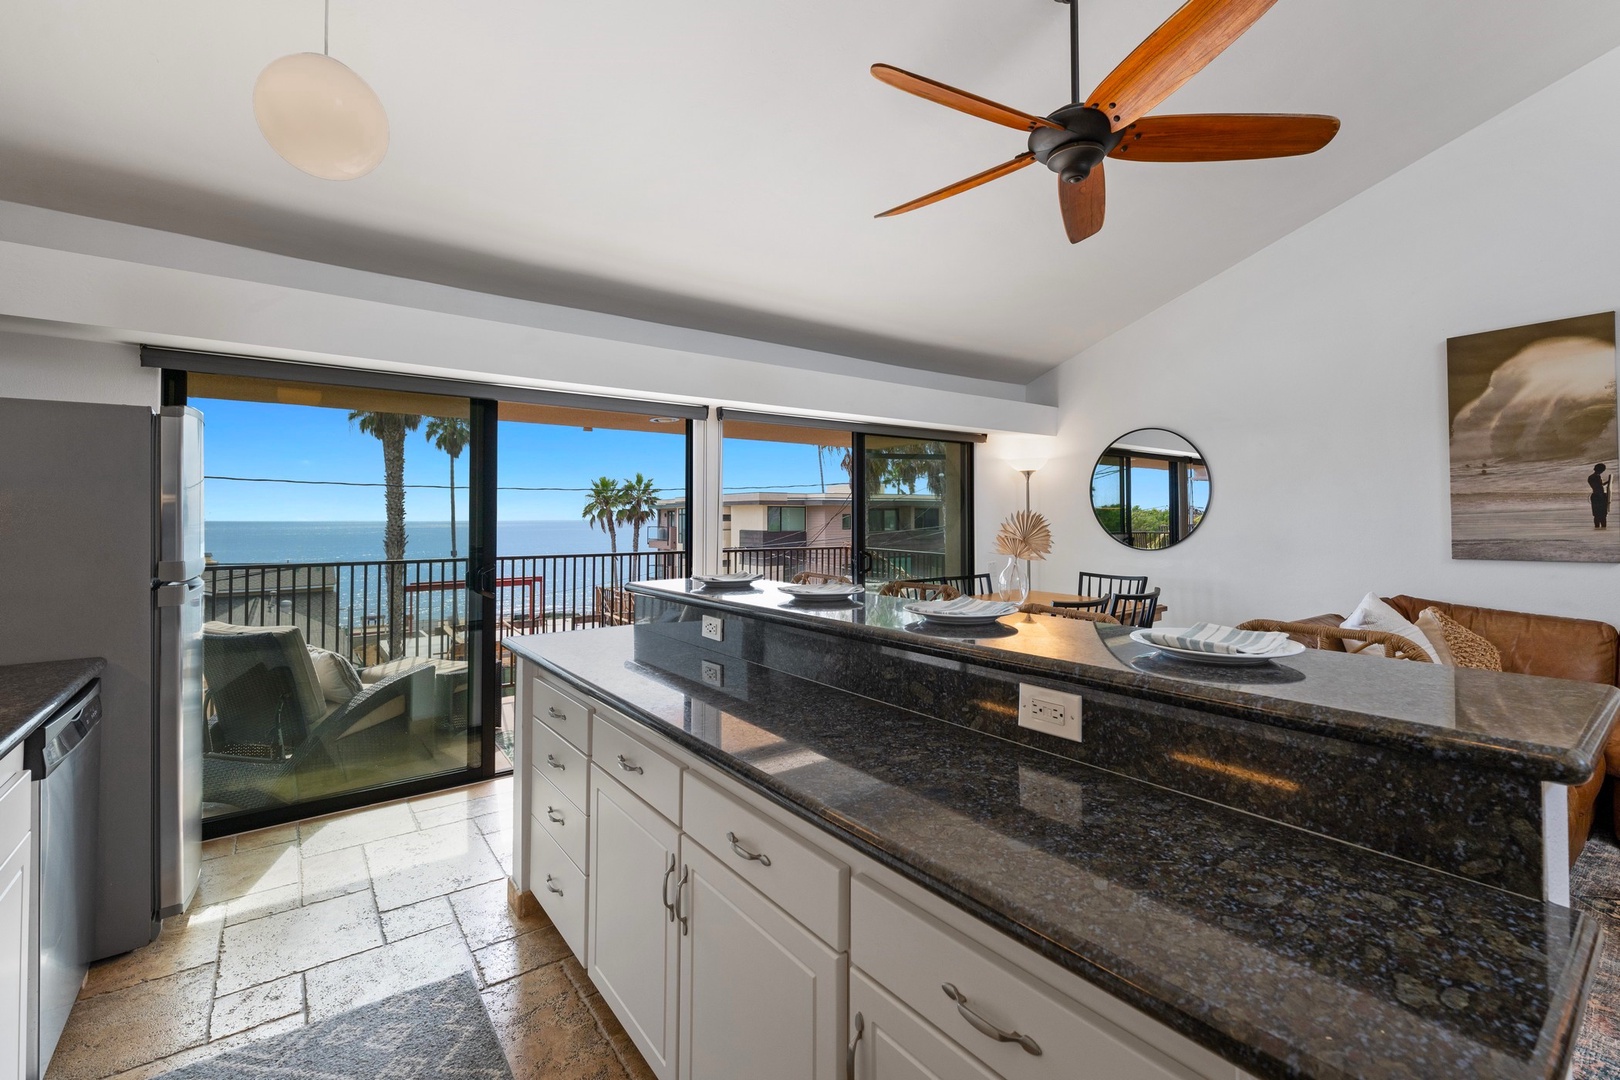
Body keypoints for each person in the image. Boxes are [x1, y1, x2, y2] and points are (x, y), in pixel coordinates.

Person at [1591, 463, 1612, 529]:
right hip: (1599, 497)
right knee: (1603, 515)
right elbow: (1598, 487)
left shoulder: (1593, 476)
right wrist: (1603, 497)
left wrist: (1607, 482)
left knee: (1596, 514)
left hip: (1595, 496)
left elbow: (1598, 486)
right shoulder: (1596, 477)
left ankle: (1597, 527)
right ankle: (1602, 528)